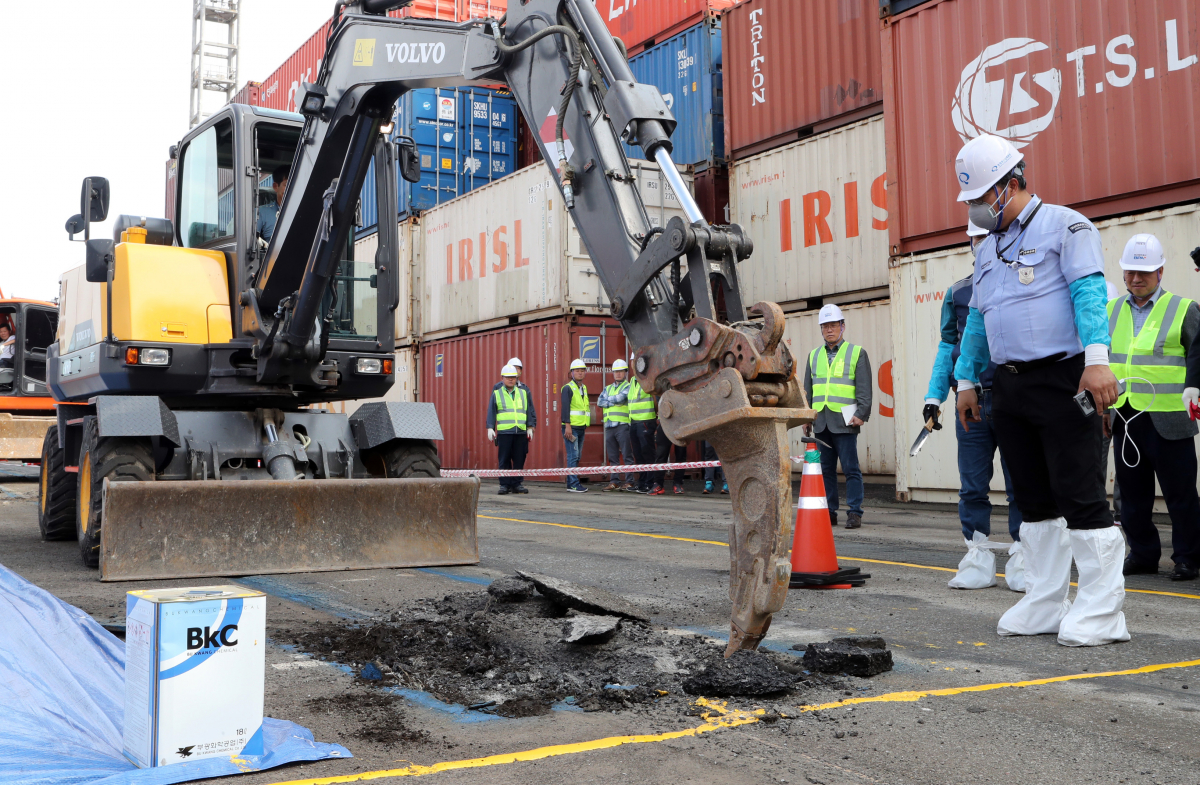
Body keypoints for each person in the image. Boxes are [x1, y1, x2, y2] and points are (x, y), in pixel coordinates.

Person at [952, 133, 1128, 647]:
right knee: (1032, 498)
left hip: (1062, 378)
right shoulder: (989, 250)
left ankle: (1102, 609)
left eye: (981, 197)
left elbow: (1089, 293)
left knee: (1080, 492)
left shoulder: (1066, 226)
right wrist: (967, 379)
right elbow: (980, 321)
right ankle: (1047, 599)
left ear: (1009, 185)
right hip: (1008, 388)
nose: (977, 209)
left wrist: (1097, 361)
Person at [924, 219, 1024, 591]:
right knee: (972, 484)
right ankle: (977, 555)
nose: (981, 243)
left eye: (988, 236)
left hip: (1014, 398)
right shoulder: (956, 294)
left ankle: (1024, 555)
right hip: (970, 401)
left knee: (1020, 481)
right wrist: (934, 395)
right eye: (976, 237)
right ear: (969, 242)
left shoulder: (1018, 283)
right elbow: (946, 346)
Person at [1105, 233, 1200, 582]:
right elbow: (1104, 362)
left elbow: (1198, 356)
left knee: (1181, 494)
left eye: (1143, 272)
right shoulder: (1111, 310)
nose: (1134, 279)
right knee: (1132, 495)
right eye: (1129, 272)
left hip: (1170, 418)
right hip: (1126, 416)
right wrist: (1104, 410)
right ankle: (1143, 554)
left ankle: (1188, 557)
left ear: (1160, 271)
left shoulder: (1183, 309)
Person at [803, 303, 872, 529]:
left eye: (833, 325)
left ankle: (854, 512)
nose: (829, 330)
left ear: (843, 326)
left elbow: (864, 387)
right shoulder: (813, 356)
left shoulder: (856, 353)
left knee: (851, 468)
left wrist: (862, 413)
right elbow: (807, 390)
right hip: (821, 420)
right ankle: (830, 511)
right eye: (825, 326)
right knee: (826, 469)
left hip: (846, 420)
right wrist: (806, 417)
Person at [487, 364, 536, 495]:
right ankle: (504, 485)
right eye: (508, 377)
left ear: (516, 378)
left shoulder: (523, 393)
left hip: (520, 431)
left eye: (513, 377)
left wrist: (530, 427)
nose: (511, 380)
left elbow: (528, 410)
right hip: (505, 432)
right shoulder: (497, 393)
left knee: (520, 458)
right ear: (502, 378)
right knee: (504, 459)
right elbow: (491, 411)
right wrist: (490, 427)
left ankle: (517, 484)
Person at [597, 359, 635, 491]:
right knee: (613, 456)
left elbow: (621, 398)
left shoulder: (628, 386)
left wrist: (609, 400)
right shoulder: (607, 388)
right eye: (616, 372)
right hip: (609, 426)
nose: (618, 374)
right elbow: (599, 401)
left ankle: (629, 481)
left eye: (621, 371)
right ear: (612, 373)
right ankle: (615, 481)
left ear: (625, 373)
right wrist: (612, 401)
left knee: (626, 455)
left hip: (622, 425)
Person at [626, 354, 657, 493]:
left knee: (648, 454)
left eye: (635, 361)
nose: (633, 364)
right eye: (632, 362)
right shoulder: (632, 380)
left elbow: (656, 400)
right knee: (638, 454)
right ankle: (642, 482)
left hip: (645, 421)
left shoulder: (649, 379)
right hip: (634, 423)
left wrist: (656, 418)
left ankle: (650, 483)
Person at [560, 358, 590, 493]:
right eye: (577, 371)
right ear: (571, 373)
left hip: (581, 427)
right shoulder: (567, 388)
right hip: (571, 428)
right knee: (573, 455)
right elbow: (565, 409)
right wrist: (567, 426)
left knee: (577, 456)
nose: (580, 373)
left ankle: (571, 482)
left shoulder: (583, 388)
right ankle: (573, 483)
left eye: (582, 370)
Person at [256, 164, 290, 242]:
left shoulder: (307, 213)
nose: (292, 188)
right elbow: (249, 242)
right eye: (287, 184)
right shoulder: (260, 213)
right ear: (275, 186)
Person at [652, 423, 687, 495]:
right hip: (664, 424)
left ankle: (678, 483)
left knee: (681, 454)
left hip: (680, 424)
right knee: (661, 455)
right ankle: (658, 484)